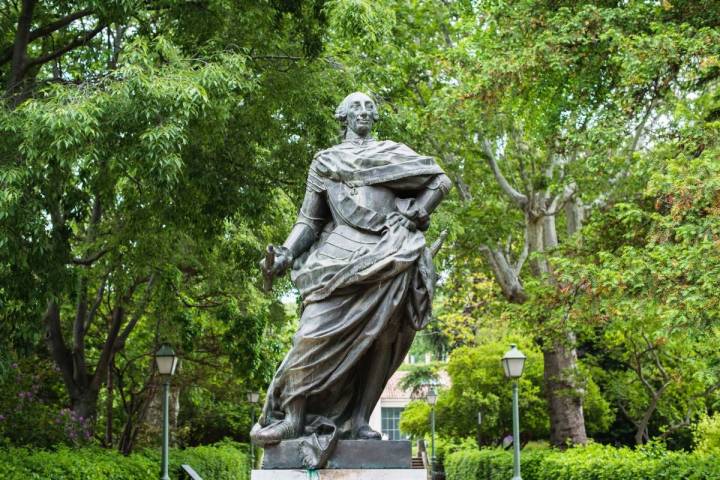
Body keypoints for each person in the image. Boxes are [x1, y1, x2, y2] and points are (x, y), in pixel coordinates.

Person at [251, 92, 452, 467]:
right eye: (354, 107)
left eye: (368, 107)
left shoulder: (393, 154)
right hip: (338, 256)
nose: (362, 111)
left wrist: (414, 215)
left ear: (375, 116)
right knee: (309, 336)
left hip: (390, 254)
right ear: (342, 115)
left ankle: (360, 420)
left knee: (380, 337)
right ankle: (293, 416)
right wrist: (287, 253)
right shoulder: (325, 162)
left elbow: (440, 181)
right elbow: (309, 222)